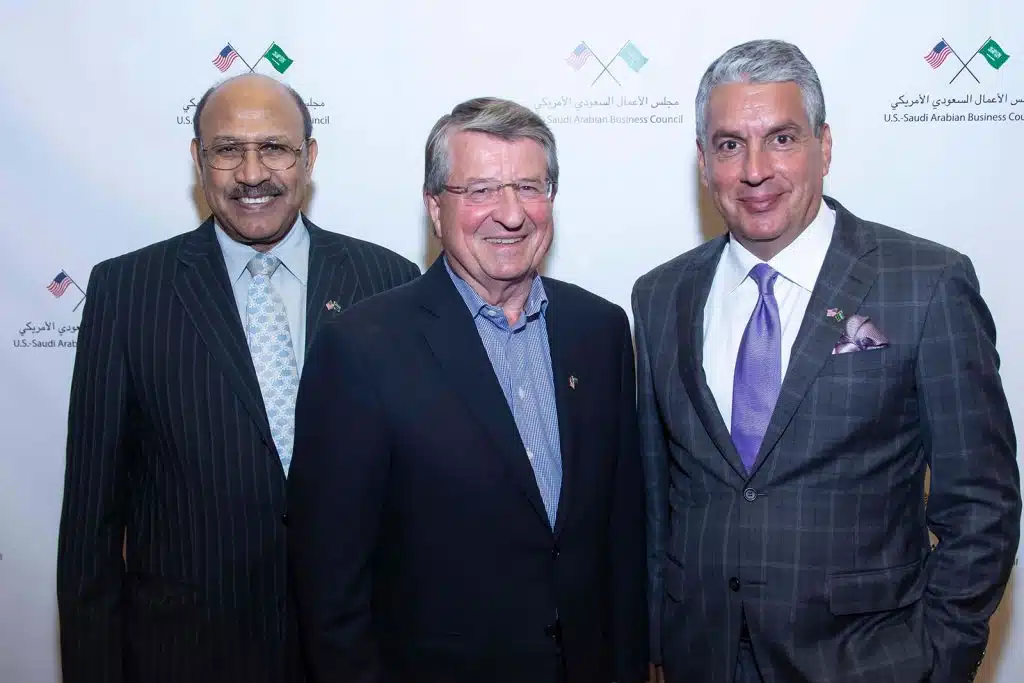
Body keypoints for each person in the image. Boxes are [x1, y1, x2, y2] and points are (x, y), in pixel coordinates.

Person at [632, 39, 1020, 683]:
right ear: (704, 162)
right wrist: (657, 639)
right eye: (729, 145)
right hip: (700, 656)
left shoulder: (925, 283)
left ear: (825, 145)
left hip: (869, 663)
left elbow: (982, 504)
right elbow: (656, 499)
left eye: (781, 139)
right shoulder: (659, 295)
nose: (755, 170)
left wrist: (935, 659)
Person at [57, 73, 420, 683]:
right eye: (228, 150)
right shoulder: (126, 291)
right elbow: (90, 522)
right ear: (198, 159)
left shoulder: (387, 281)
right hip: (186, 653)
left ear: (309, 156)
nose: (252, 173)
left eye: (274, 147)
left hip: (356, 653)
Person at [287, 96, 648, 683]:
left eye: (529, 188)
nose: (511, 214)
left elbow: (622, 541)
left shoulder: (601, 331)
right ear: (435, 207)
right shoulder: (360, 349)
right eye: (480, 190)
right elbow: (330, 587)